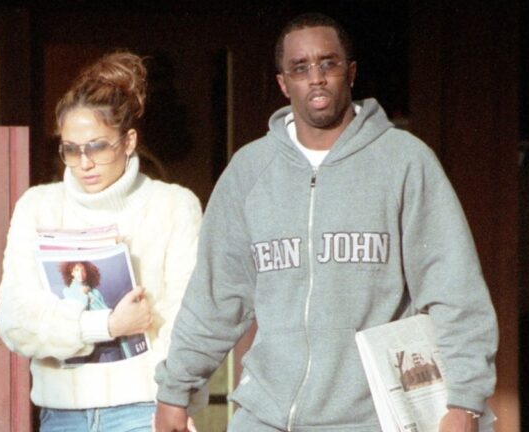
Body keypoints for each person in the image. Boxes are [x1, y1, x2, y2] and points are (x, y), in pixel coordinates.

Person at [154, 12, 498, 432]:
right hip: (264, 416)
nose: (315, 77)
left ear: (350, 73)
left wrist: (465, 401)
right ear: (283, 83)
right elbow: (215, 296)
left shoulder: (404, 161)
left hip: (372, 420)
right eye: (300, 68)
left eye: (327, 63)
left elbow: (454, 289)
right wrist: (175, 391)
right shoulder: (249, 170)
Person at [0, 51, 204, 432]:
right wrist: (106, 325)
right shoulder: (37, 206)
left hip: (144, 410)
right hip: (62, 414)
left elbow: (187, 324)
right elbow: (14, 321)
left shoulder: (173, 206)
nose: (84, 162)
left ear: (128, 141)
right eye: (71, 149)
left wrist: (176, 402)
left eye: (97, 146)